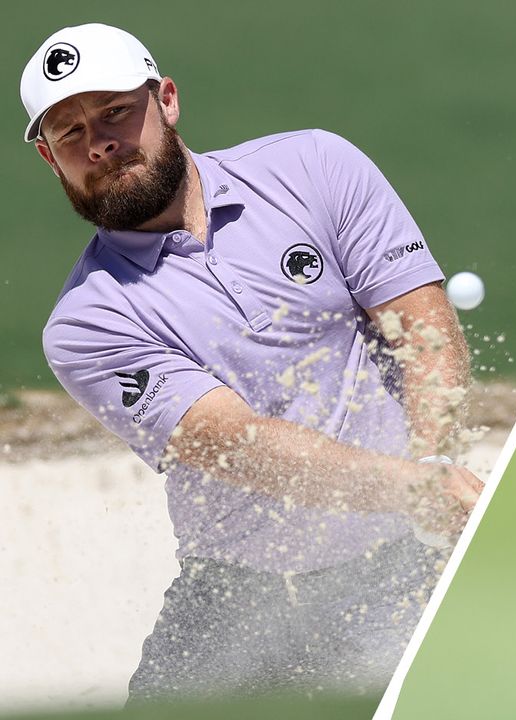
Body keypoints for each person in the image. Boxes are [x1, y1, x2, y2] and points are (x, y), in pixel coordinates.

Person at [20, 23, 484, 702]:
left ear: (167, 99)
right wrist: (415, 489)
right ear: (50, 161)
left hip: (399, 563)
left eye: (116, 111)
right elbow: (238, 446)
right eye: (69, 134)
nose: (99, 143)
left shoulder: (317, 167)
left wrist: (431, 473)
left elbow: (422, 330)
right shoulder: (85, 323)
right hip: (233, 594)